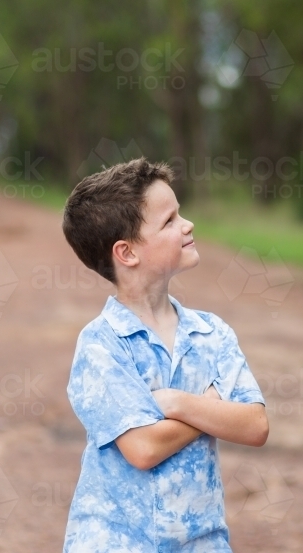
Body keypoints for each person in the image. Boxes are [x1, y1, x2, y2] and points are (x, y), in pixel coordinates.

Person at [60, 158, 269, 552]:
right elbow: (143, 449)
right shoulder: (101, 344)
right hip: (114, 542)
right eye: (170, 221)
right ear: (127, 253)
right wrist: (211, 408)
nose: (187, 224)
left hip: (201, 542)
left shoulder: (211, 333)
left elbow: (254, 425)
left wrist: (176, 403)